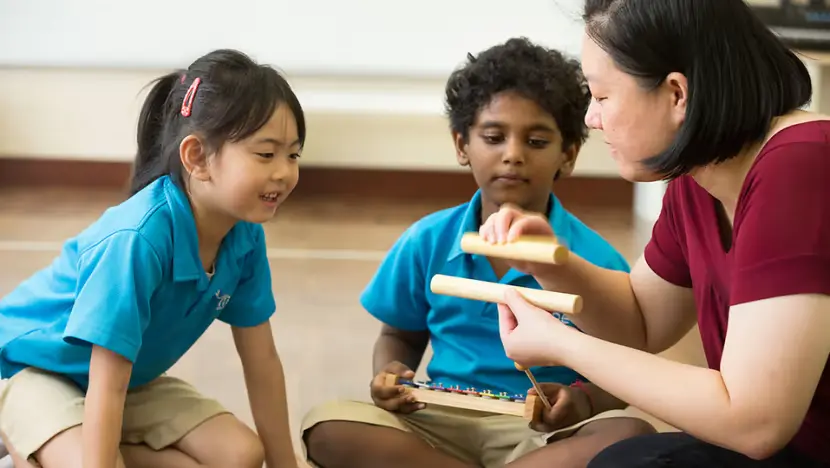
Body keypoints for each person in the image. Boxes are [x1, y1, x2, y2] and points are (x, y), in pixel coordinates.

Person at [479, 1, 830, 467]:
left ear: (677, 94)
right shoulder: (699, 178)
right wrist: (550, 261)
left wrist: (562, 344)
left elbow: (755, 423)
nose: (591, 118)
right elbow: (642, 322)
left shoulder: (801, 165)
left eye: (602, 97)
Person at [300, 37, 655, 468]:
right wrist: (390, 372)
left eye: (536, 141)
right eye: (493, 137)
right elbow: (400, 335)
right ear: (461, 145)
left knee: (630, 435)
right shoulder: (426, 240)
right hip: (438, 424)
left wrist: (583, 401)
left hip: (541, 436)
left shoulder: (594, 262)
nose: (513, 155)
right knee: (327, 426)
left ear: (568, 154)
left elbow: (624, 370)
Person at [0, 49, 304, 468]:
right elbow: (107, 381)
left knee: (241, 456)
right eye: (266, 154)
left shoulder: (244, 236)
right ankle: (26, 450)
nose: (284, 172)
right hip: (33, 371)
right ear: (197, 157)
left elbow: (262, 362)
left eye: (293, 155)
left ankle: (45, 453)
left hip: (126, 383)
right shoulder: (138, 239)